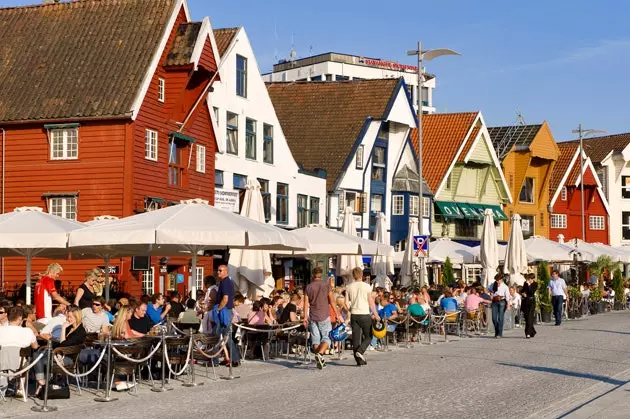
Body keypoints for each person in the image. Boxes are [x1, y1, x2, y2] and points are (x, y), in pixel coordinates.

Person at [304, 267, 340, 370]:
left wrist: (305, 317)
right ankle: (320, 354)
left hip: (313, 316)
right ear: (321, 275)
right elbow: (332, 301)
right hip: (324, 315)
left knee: (315, 340)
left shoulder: (308, 287)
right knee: (327, 337)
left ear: (313, 275)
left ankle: (320, 359)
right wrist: (337, 313)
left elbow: (306, 303)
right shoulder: (326, 285)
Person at [346, 267, 380, 366]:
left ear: (353, 275)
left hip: (354, 314)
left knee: (356, 338)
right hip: (364, 314)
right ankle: (360, 351)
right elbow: (371, 302)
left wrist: (349, 311)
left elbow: (346, 303)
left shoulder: (349, 287)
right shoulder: (366, 286)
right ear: (362, 275)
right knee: (369, 336)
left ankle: (359, 361)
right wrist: (376, 314)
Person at [214, 265, 240, 367]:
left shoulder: (225, 282)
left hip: (224, 311)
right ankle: (235, 359)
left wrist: (218, 309)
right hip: (227, 311)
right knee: (225, 337)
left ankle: (214, 360)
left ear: (226, 271)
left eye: (220, 270)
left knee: (216, 335)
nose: (218, 272)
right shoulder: (226, 282)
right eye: (218, 270)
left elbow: (225, 298)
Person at [521, 273, 537, 338]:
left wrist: (528, 285)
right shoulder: (525, 283)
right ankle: (532, 331)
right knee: (527, 318)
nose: (529, 280)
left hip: (531, 302)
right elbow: (522, 290)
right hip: (525, 302)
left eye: (530, 279)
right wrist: (522, 293)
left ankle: (528, 333)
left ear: (532, 279)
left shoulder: (535, 284)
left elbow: (531, 292)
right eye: (528, 279)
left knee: (530, 317)